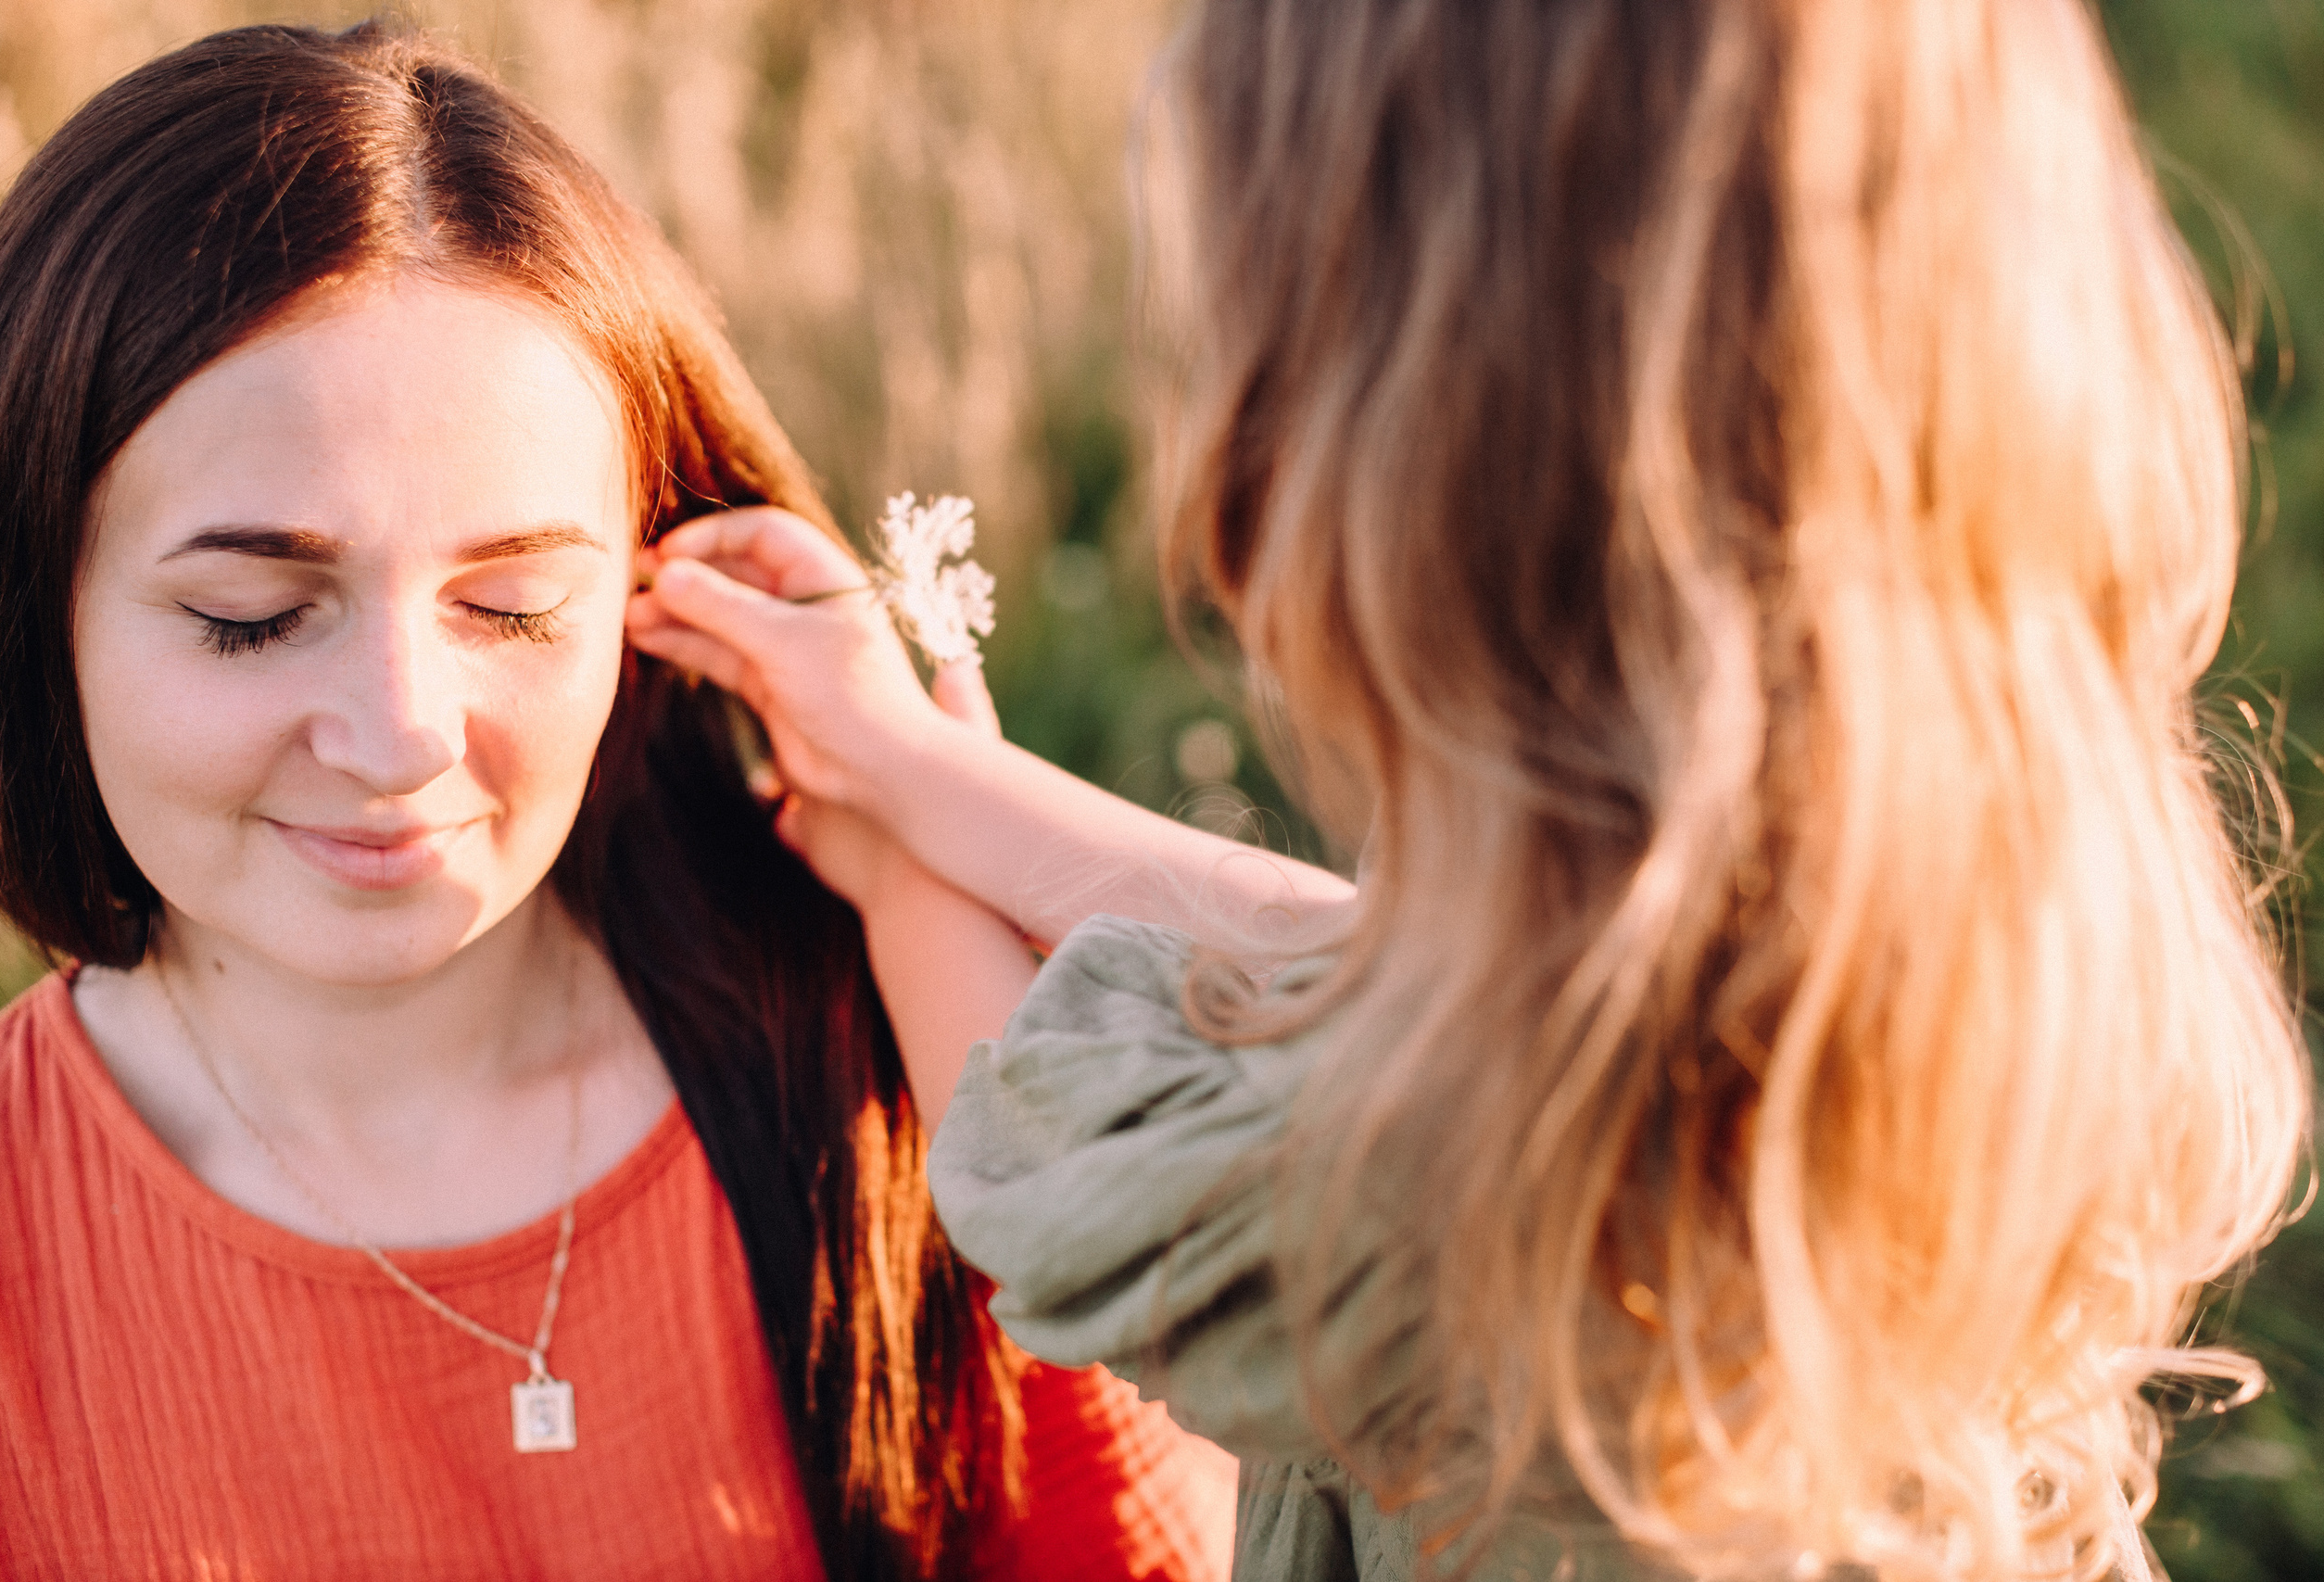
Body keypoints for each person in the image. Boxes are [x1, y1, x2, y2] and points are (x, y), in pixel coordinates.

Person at [624, 0, 2315, 1578]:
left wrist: (887, 846)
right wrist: (920, 772)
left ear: (1403, 484)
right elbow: (1371, 973)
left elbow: (1064, 1158)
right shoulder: (1988, 967)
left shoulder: (1480, 1249)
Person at [0, 20, 1244, 1580]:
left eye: (508, 609)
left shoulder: (905, 1057)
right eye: (248, 615)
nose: (402, 734)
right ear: (34, 611)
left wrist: (934, 805)